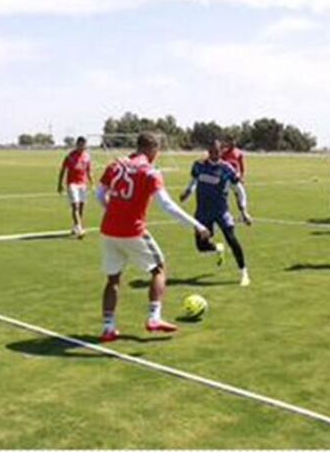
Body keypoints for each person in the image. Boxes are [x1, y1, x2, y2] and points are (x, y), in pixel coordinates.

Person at [95, 132, 212, 342]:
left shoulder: (116, 165)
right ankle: (154, 317)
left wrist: (113, 211)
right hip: (133, 230)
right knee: (159, 269)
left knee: (113, 279)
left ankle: (108, 328)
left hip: (109, 229)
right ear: (153, 149)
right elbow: (167, 205)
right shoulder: (150, 172)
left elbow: (99, 194)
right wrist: (197, 226)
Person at [180, 139, 254, 286]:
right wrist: (188, 192)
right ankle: (217, 248)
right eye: (211, 151)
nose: (213, 153)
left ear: (221, 152)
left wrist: (244, 211)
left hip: (221, 211)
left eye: (216, 151)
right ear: (208, 151)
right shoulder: (199, 165)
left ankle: (244, 273)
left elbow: (239, 190)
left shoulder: (227, 169)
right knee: (201, 246)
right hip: (202, 211)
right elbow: (194, 180)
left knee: (231, 239)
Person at [57, 136, 93, 239]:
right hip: (72, 184)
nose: (82, 147)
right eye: (80, 145)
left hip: (83, 184)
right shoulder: (70, 156)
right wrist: (60, 184)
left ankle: (75, 226)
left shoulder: (87, 156)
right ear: (77, 144)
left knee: (81, 206)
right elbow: (63, 170)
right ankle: (79, 228)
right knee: (75, 206)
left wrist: (92, 182)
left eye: (84, 145)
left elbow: (89, 171)